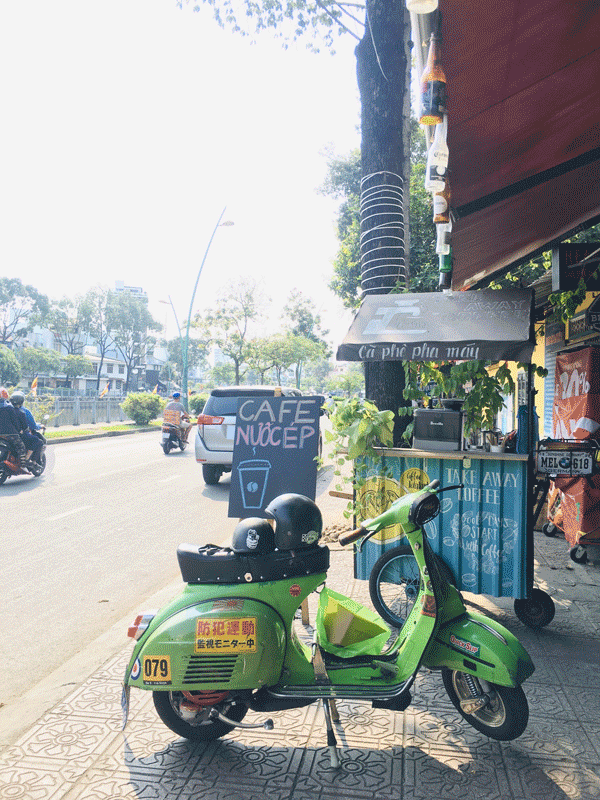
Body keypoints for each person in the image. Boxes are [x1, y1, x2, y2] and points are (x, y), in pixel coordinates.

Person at [10, 390, 44, 464]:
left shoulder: (7, 410)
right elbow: (31, 426)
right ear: (22, 401)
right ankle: (28, 459)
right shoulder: (23, 412)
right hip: (19, 435)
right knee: (38, 441)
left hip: (8, 434)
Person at [0, 388, 29, 467]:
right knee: (21, 446)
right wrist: (19, 430)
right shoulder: (9, 407)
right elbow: (15, 421)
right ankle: (23, 464)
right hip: (10, 433)